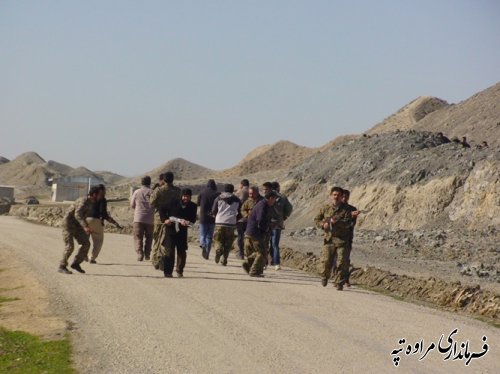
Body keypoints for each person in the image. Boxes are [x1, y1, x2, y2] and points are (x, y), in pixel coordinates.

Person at [314, 187, 358, 291]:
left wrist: (336, 222)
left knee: (341, 262)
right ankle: (325, 276)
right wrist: (323, 224)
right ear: (331, 195)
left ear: (342, 196)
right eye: (334, 195)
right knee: (326, 261)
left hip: (342, 239)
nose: (336, 197)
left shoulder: (347, 210)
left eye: (338, 195)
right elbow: (317, 219)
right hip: (329, 239)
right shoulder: (325, 208)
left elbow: (349, 223)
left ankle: (339, 282)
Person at [58, 186, 101, 274]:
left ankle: (76, 263)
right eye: (100, 194)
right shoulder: (84, 201)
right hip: (69, 225)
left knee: (86, 243)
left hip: (78, 226)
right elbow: (78, 215)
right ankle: (62, 266)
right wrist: (85, 226)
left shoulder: (91, 202)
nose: (102, 196)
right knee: (70, 246)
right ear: (94, 194)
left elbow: (83, 216)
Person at [160, 188, 197, 277]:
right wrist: (165, 220)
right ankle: (168, 272)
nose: (186, 198)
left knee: (182, 252)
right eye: (184, 196)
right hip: (171, 230)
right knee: (169, 252)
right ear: (181, 196)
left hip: (182, 232)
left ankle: (179, 270)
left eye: (188, 197)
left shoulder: (193, 206)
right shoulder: (173, 203)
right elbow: (162, 209)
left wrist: (188, 222)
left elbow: (193, 219)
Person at [150, 172, 182, 270]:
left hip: (159, 218)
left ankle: (155, 259)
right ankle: (163, 260)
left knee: (157, 239)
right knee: (167, 241)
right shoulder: (177, 191)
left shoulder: (159, 190)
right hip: (172, 218)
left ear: (163, 180)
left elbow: (151, 203)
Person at [242, 191, 278, 277]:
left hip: (251, 231)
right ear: (271, 198)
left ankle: (248, 264)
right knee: (262, 252)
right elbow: (260, 220)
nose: (274, 201)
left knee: (259, 251)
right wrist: (266, 228)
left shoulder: (263, 204)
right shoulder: (263, 205)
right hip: (255, 232)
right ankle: (254, 271)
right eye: (274, 199)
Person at [86, 184, 122, 264]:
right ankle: (92, 258)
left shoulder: (88, 198)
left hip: (85, 221)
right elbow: (103, 213)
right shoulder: (102, 199)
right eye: (104, 190)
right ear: (101, 191)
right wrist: (114, 222)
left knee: (84, 239)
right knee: (98, 240)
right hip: (95, 220)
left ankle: (82, 255)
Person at [211, 184, 241, 266]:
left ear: (224, 190)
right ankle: (224, 259)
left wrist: (216, 216)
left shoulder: (218, 198)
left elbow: (213, 210)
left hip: (219, 222)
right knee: (228, 242)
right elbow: (241, 212)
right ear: (232, 190)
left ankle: (218, 249)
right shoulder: (237, 200)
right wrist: (235, 219)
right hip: (231, 223)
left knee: (217, 239)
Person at [269, 181, 293, 271]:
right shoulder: (283, 197)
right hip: (277, 224)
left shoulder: (267, 196)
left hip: (268, 223)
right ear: (278, 188)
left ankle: (267, 261)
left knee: (267, 243)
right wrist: (284, 217)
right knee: (275, 244)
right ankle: (276, 263)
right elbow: (289, 209)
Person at [130, 176, 154, 261]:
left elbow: (132, 205)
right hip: (150, 219)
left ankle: (140, 253)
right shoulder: (152, 192)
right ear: (150, 183)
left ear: (141, 182)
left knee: (138, 237)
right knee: (149, 237)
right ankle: (147, 254)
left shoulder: (137, 192)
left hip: (138, 218)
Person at [197, 179, 219, 260]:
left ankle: (202, 245)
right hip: (212, 217)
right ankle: (207, 253)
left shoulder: (202, 192)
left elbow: (198, 203)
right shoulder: (217, 193)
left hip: (203, 216)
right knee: (209, 236)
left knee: (203, 234)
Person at [342, 189, 359, 287]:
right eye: (343, 197)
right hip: (335, 237)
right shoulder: (335, 208)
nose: (344, 199)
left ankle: (346, 279)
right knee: (336, 258)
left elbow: (351, 224)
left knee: (346, 258)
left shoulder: (352, 209)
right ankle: (338, 278)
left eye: (346, 197)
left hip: (347, 237)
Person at [235, 179, 250, 259]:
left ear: (241, 184)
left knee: (240, 236)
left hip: (241, 218)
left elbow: (235, 201)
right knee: (249, 236)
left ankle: (241, 253)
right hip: (250, 218)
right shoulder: (251, 192)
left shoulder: (240, 192)